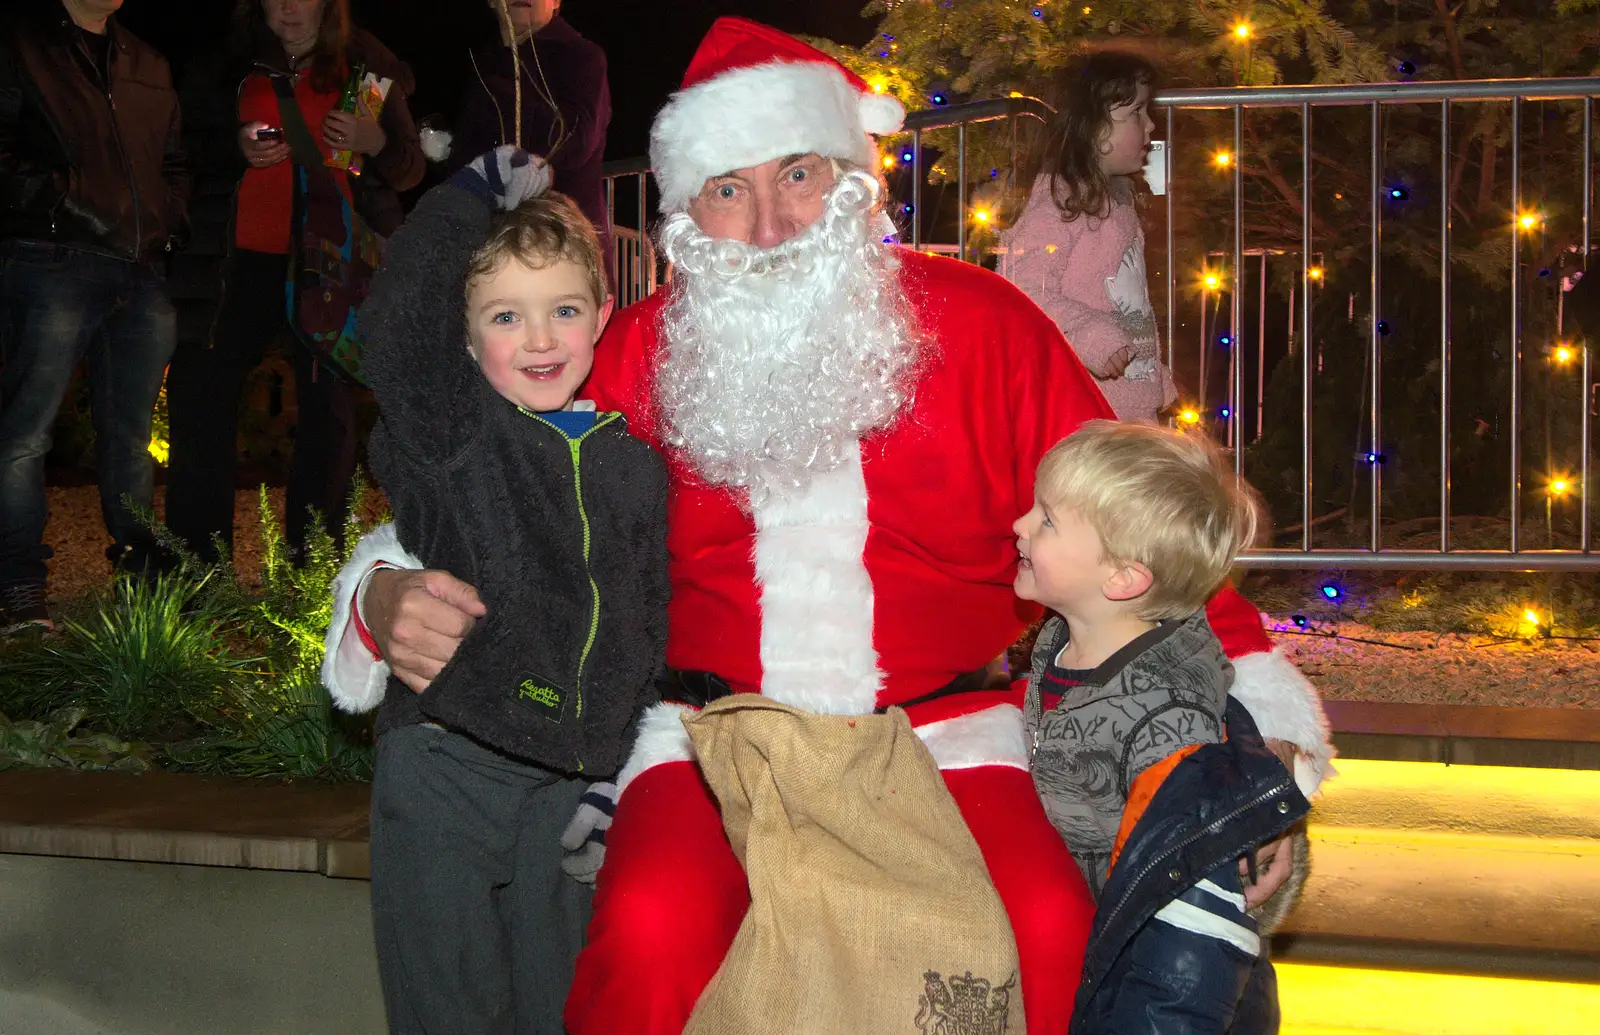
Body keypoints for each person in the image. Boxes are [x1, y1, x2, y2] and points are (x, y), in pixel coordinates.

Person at [323, 19, 1336, 1035]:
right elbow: (492, 493)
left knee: (1047, 933)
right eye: (727, 189)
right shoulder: (637, 352)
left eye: (797, 174)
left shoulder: (986, 326)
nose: (768, 224)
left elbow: (1144, 528)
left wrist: (1263, 731)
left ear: (854, 177)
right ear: (687, 213)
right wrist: (381, 593)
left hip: (946, 735)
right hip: (709, 737)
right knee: (644, 936)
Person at [333, 143, 667, 1034]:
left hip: (571, 786)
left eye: (563, 308)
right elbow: (395, 326)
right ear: (468, 333)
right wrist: (469, 194)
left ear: (602, 315)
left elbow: (648, 626)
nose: (542, 338)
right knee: (447, 1005)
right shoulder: (455, 432)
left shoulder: (632, 463)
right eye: (505, 316)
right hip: (449, 759)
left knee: (554, 1009)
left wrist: (621, 771)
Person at [1016, 420, 1308, 1033]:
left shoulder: (1166, 730)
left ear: (1122, 578)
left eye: (1046, 520)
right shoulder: (1072, 638)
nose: (1019, 525)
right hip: (1106, 934)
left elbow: (1190, 938)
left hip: (1158, 981)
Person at [163, 0, 423, 565]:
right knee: (202, 407)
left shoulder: (368, 63)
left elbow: (409, 167)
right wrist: (235, 147)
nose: (290, 7)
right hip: (232, 265)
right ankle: (199, 576)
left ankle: (315, 569)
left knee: (328, 418)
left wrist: (372, 139)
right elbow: (179, 147)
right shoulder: (224, 62)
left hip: (326, 268)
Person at [0, 0, 188, 632]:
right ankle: (21, 590)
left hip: (138, 271)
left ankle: (141, 587)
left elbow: (174, 162)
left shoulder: (148, 62)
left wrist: (165, 224)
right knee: (25, 435)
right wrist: (65, 198)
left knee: (132, 440)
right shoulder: (21, 43)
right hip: (50, 259)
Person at [1001, 49, 1176, 424]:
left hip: (1129, 404)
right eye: (1136, 114)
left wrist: (1150, 374)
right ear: (1093, 128)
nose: (1150, 127)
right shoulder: (1060, 199)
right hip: (1086, 409)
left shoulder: (1119, 198)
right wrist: (1089, 335)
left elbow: (1130, 302)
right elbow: (1023, 287)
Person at [438, 1, 611, 274]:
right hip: (494, 249)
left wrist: (510, 86)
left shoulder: (582, 56)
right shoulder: (482, 63)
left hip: (564, 246)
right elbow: (467, 157)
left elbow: (575, 143)